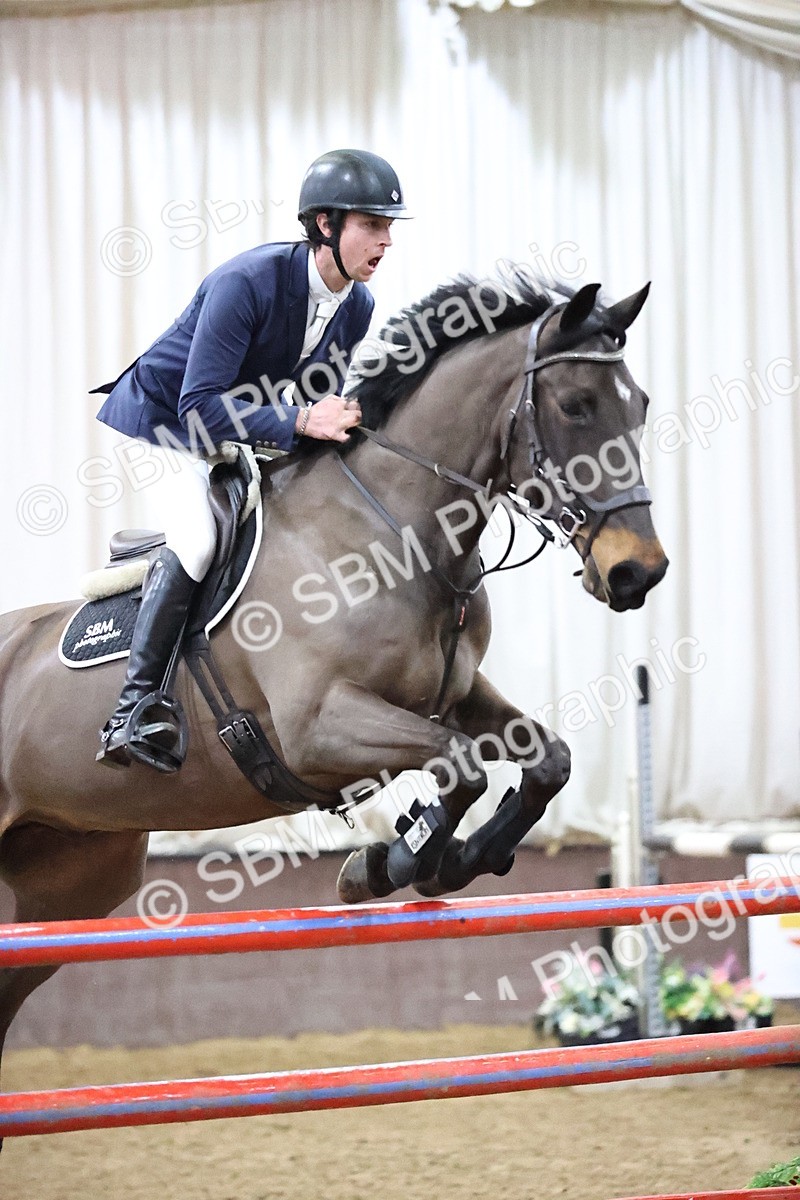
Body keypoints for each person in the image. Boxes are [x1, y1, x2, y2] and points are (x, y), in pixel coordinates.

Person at [93, 148, 407, 771]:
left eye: (389, 227)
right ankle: (133, 709)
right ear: (325, 225)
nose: (386, 240)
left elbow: (317, 405)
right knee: (200, 538)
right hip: (163, 420)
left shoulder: (358, 306)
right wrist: (298, 420)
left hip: (233, 425)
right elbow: (200, 408)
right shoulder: (248, 282)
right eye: (372, 225)